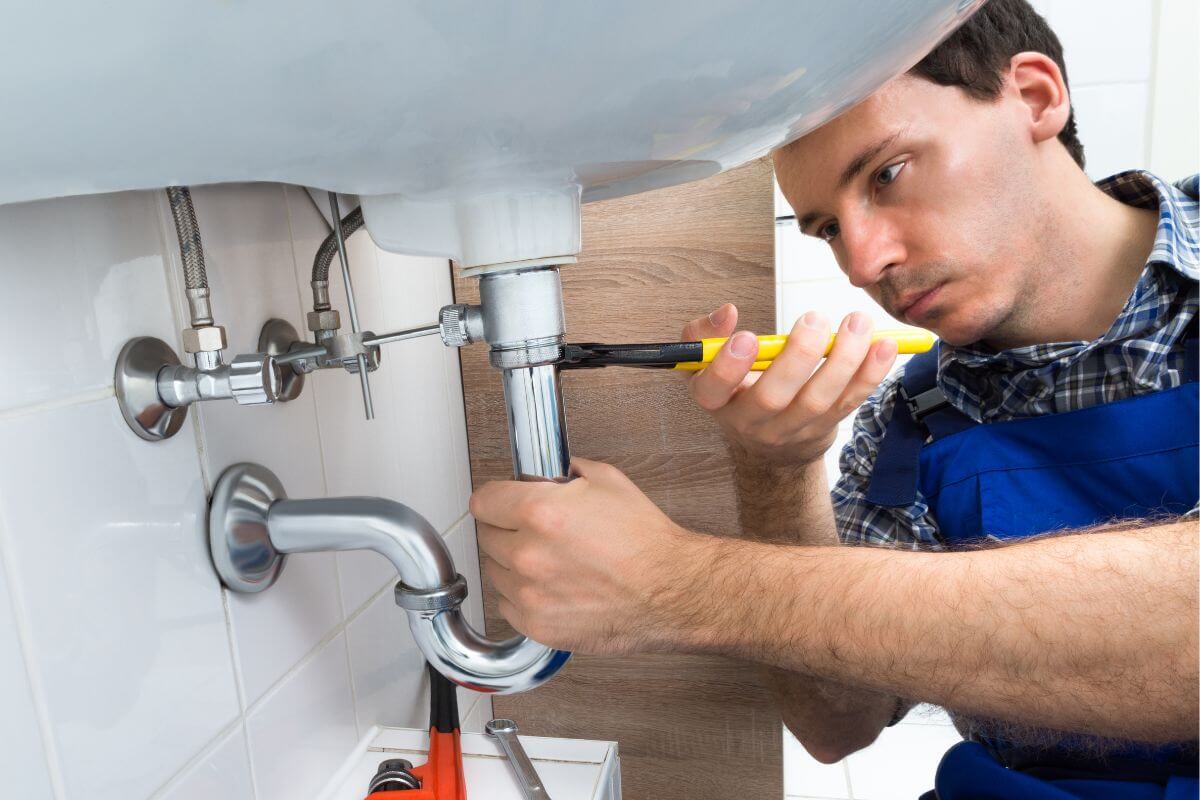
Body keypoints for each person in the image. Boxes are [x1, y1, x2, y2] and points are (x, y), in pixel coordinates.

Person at [468, 1, 1199, 796]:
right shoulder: (906, 428)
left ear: (1032, 96)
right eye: (826, 229)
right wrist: (776, 467)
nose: (864, 261)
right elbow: (837, 723)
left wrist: (675, 581)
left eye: (887, 173)